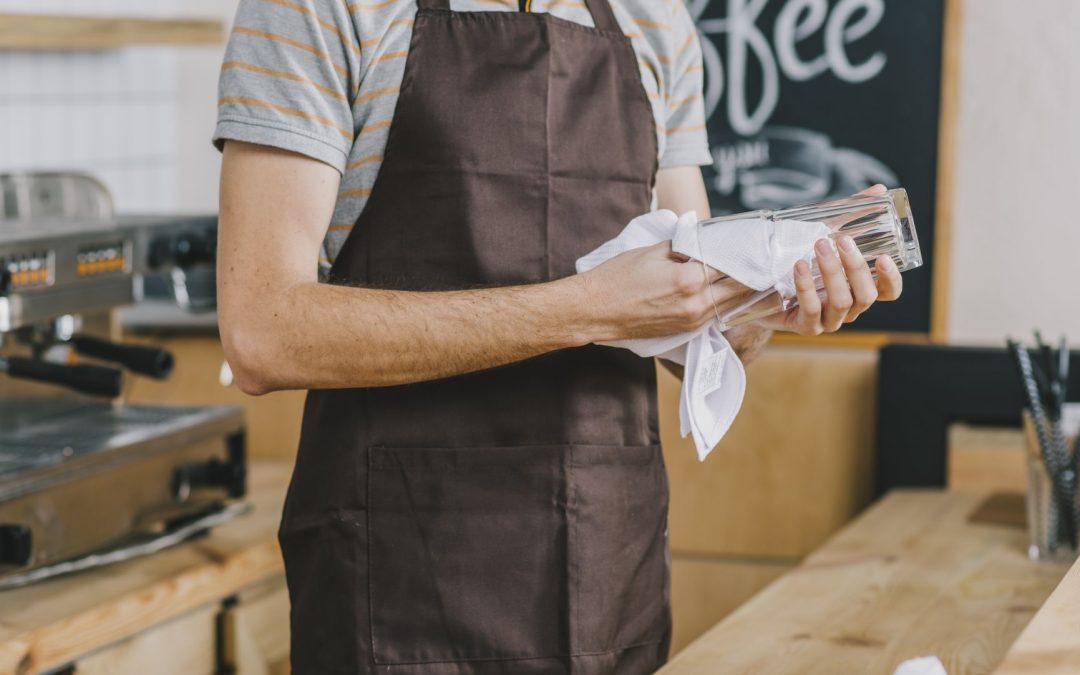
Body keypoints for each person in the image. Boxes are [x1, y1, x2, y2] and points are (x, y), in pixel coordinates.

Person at [214, 0, 903, 672]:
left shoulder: (653, 19)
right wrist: (587, 308)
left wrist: (767, 294)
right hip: (395, 587)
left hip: (604, 578)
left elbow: (693, 304)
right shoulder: (313, 9)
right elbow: (262, 331)